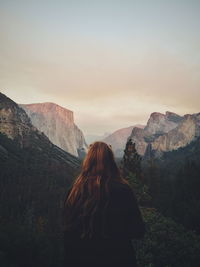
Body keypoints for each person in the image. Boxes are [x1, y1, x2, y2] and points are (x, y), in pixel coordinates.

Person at [63, 141, 145, 267]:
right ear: (111, 162)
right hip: (118, 259)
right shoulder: (122, 190)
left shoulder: (74, 193)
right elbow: (138, 230)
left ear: (88, 162)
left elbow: (67, 232)